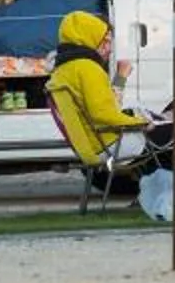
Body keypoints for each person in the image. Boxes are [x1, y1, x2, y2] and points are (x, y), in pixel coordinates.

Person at [46, 10, 166, 173]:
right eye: (106, 41)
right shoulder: (88, 68)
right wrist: (141, 123)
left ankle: (154, 189)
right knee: (174, 134)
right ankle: (173, 192)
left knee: (158, 125)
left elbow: (104, 110)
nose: (110, 48)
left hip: (95, 145)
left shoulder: (62, 70)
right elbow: (104, 114)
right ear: (90, 38)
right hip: (111, 146)